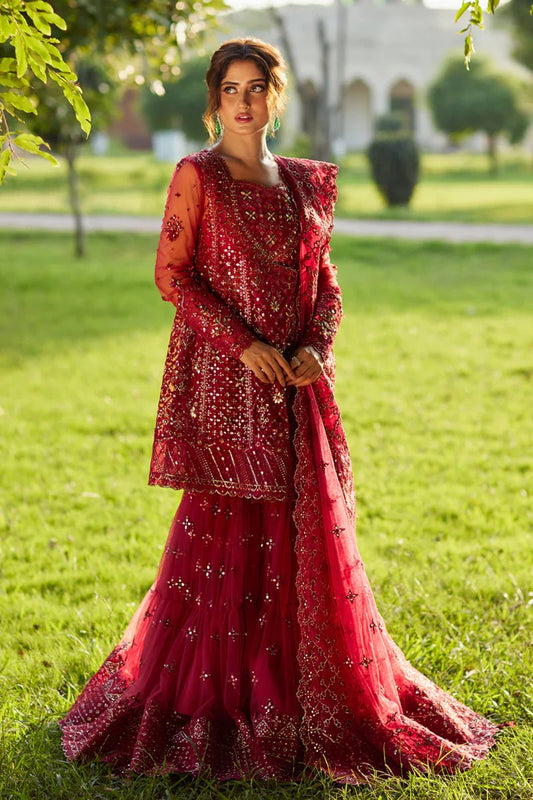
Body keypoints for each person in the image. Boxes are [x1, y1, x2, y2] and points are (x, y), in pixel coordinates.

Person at [58, 37, 501, 784]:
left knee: (300, 543)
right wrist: (243, 344)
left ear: (275, 96)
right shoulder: (196, 176)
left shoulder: (302, 184)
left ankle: (299, 698)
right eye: (229, 88)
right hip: (231, 389)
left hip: (297, 391)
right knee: (222, 541)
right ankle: (220, 698)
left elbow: (326, 285)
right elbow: (175, 276)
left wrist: (315, 348)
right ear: (212, 98)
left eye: (256, 86)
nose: (242, 100)